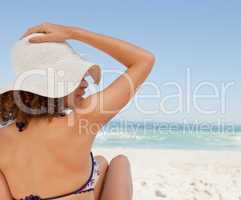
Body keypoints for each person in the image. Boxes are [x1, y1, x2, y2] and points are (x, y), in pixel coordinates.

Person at [0, 22, 155, 200]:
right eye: (75, 76)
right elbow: (144, 60)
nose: (85, 83)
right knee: (120, 162)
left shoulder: (2, 138)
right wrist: (72, 33)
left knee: (101, 163)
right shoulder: (82, 119)